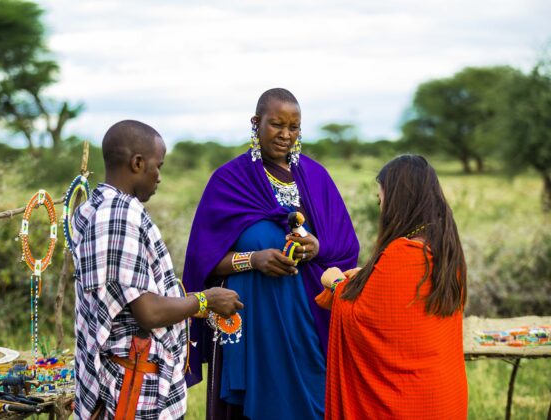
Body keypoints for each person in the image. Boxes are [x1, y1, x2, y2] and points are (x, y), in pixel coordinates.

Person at [183, 88, 359, 419]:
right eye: (277, 124)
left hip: (307, 318)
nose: (286, 135)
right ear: (256, 123)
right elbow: (202, 261)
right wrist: (254, 259)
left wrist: (316, 248)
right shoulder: (228, 181)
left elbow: (347, 247)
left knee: (315, 400)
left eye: (294, 127)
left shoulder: (316, 177)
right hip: (252, 322)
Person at [70, 120, 243, 419]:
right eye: (157, 166)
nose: (159, 177)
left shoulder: (96, 206)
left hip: (130, 378)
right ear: (137, 163)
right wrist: (206, 300)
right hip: (133, 390)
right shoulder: (117, 216)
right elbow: (147, 312)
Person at [318, 154, 468, 419]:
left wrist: (336, 282)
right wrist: (368, 274)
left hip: (406, 402)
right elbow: (403, 304)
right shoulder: (444, 246)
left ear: (399, 200)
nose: (381, 207)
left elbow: (362, 317)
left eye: (381, 199)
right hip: (444, 394)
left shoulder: (402, 252)